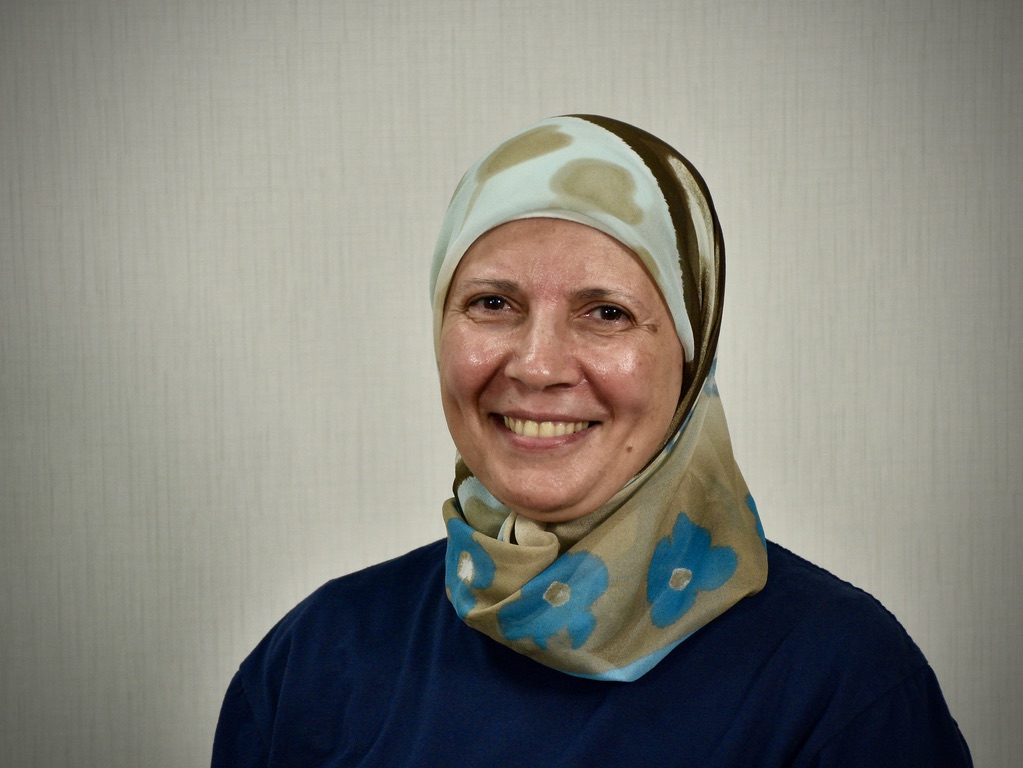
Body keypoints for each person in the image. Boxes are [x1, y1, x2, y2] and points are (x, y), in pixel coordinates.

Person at [212, 115, 972, 766]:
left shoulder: (842, 685)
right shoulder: (315, 660)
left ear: (691, 356)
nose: (537, 365)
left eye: (606, 312)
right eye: (492, 303)